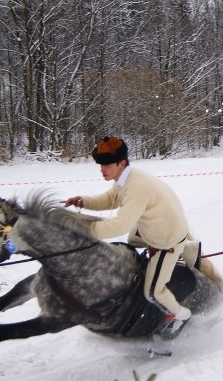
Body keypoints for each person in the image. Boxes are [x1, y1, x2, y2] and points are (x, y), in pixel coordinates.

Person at [64, 136, 203, 338]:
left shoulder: (136, 186)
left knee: (154, 292)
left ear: (122, 163)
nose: (102, 170)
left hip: (167, 241)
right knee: (131, 242)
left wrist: (88, 232)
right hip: (153, 227)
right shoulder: (125, 178)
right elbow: (110, 199)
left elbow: (121, 225)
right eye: (100, 165)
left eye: (106, 165)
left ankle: (182, 315)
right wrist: (83, 202)